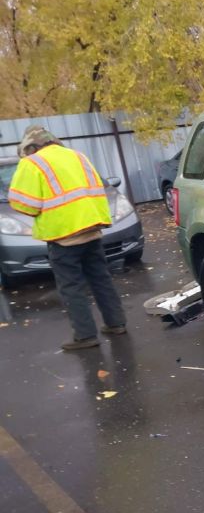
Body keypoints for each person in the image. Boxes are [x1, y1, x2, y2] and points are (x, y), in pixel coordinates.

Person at [7, 125, 127, 350]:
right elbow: (97, 188)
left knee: (71, 286)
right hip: (92, 228)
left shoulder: (32, 163)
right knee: (101, 278)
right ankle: (116, 323)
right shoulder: (77, 156)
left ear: (30, 146)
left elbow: (23, 203)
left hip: (63, 235)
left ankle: (85, 335)